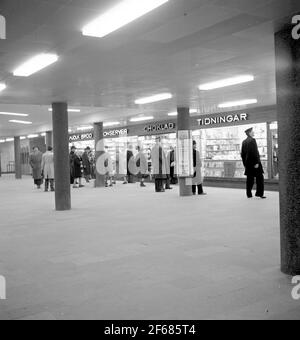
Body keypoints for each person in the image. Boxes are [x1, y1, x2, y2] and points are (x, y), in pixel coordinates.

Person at [241, 127, 266, 199]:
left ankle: (249, 194)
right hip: (255, 164)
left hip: (248, 164)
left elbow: (242, 154)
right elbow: (255, 152)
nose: (254, 132)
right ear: (249, 133)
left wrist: (245, 164)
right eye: (253, 131)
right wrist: (257, 162)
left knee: (249, 179)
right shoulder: (252, 140)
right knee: (260, 178)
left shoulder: (244, 141)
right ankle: (260, 193)